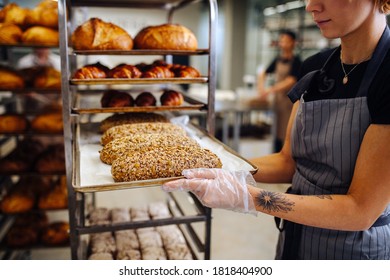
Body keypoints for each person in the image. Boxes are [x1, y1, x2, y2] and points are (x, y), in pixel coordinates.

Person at [163, 0, 390, 260]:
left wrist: (248, 197)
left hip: (355, 253)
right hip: (295, 239)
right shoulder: (316, 68)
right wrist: (216, 166)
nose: (311, 6)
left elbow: (360, 210)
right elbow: (287, 162)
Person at [253, 29, 302, 152]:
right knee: (275, 132)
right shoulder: (277, 59)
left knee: (286, 133)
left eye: (286, 41)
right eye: (281, 41)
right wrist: (261, 87)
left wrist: (270, 90)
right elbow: (263, 73)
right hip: (277, 101)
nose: (283, 44)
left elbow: (291, 81)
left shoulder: (297, 61)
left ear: (293, 43)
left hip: (289, 102)